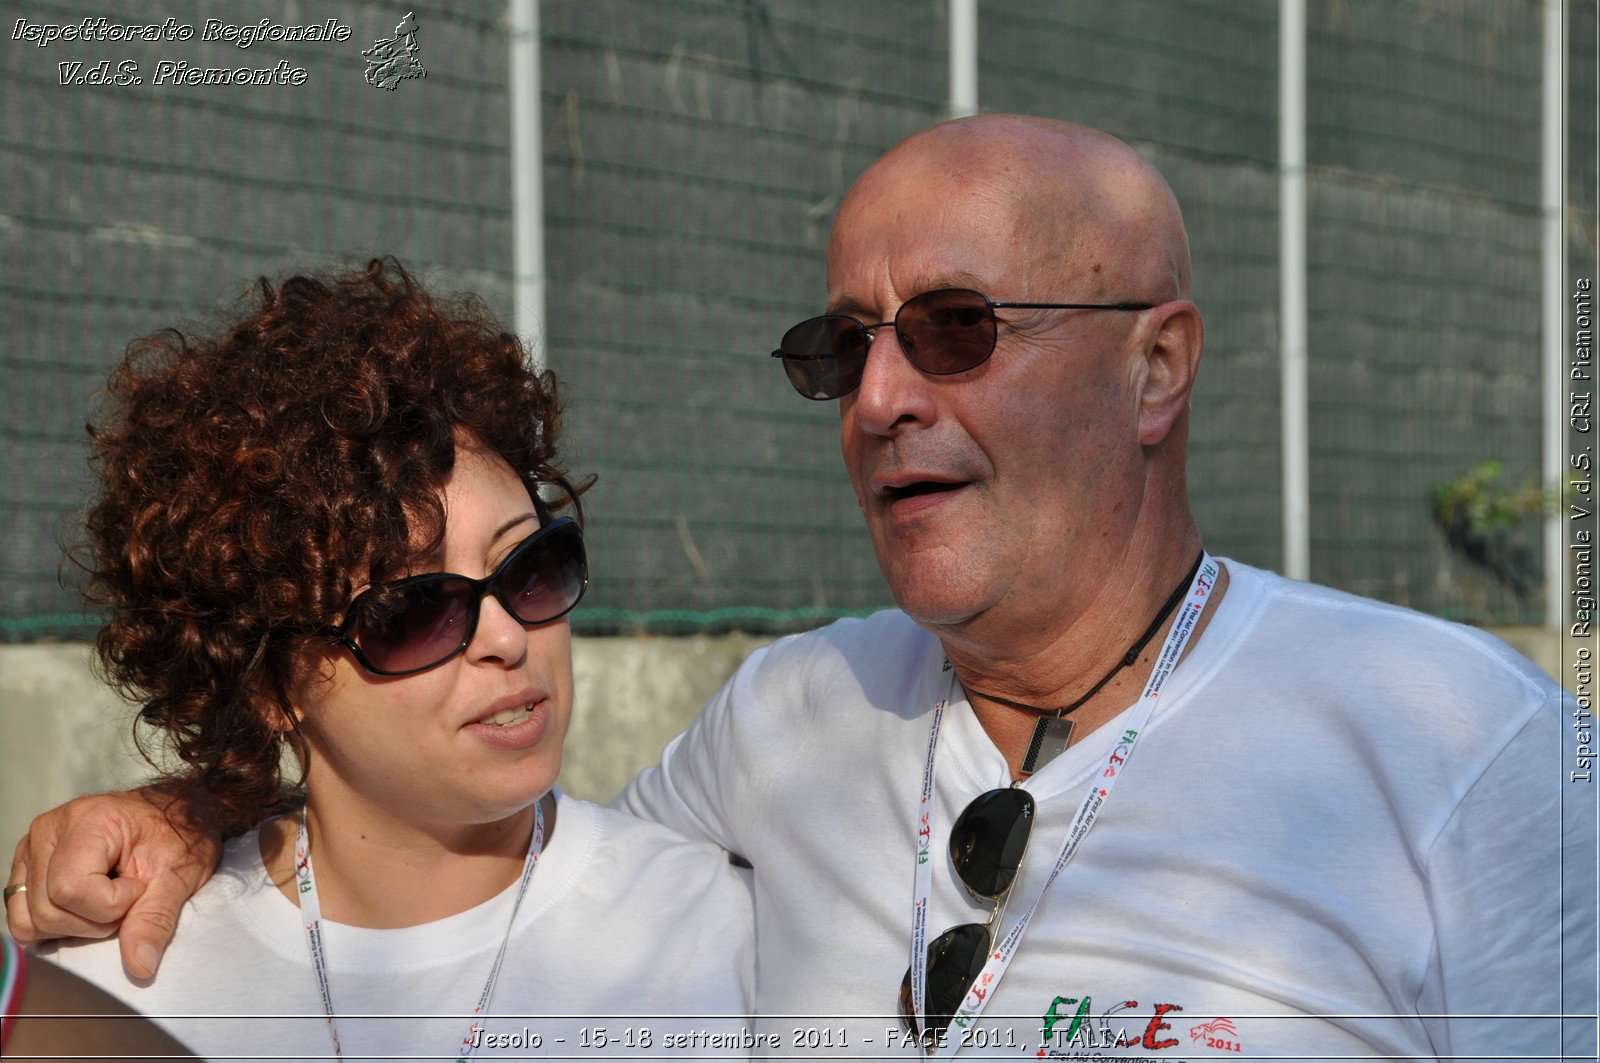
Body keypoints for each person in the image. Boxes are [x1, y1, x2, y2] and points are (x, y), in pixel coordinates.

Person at [11, 118, 1591, 1060]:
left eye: (957, 327)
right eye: (845, 348)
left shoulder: (1468, 745)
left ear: (1156, 364)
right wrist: (192, 802)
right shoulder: (787, 718)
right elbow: (446, 824)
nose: (880, 396)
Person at [6, 260, 752, 1059]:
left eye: (531, 567)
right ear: (268, 685)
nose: (506, 638)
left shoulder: (714, 928)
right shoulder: (115, 990)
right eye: (416, 610)